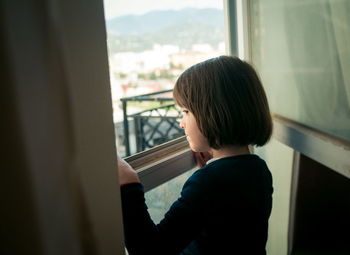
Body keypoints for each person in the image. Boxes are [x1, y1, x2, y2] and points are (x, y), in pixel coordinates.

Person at [117, 55, 274, 255]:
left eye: (185, 112)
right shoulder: (257, 168)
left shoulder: (209, 182)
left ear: (213, 114)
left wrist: (129, 186)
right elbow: (228, 226)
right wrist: (214, 162)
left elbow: (151, 250)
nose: (181, 123)